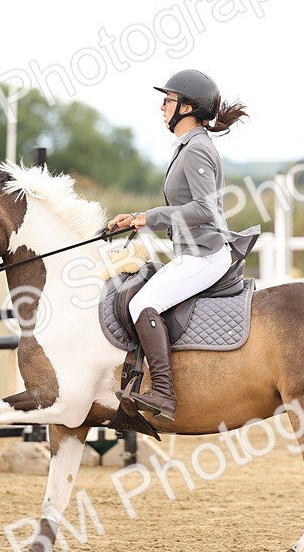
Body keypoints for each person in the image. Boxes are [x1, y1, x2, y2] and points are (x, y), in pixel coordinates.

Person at [106, 69, 258, 420]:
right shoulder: (189, 146)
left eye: (168, 100)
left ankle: (163, 392)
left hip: (204, 255)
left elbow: (207, 209)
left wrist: (151, 218)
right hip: (192, 251)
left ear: (187, 108)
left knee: (144, 303)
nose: (161, 107)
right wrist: (139, 216)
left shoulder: (196, 149)